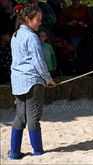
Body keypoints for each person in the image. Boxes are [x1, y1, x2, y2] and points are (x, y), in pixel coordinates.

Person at [9, 3, 56, 160]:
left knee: (20, 118)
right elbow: (39, 62)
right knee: (33, 118)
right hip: (32, 82)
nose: (40, 22)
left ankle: (14, 153)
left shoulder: (15, 35)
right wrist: (48, 80)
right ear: (28, 19)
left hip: (17, 82)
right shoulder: (32, 37)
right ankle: (37, 151)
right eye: (38, 19)